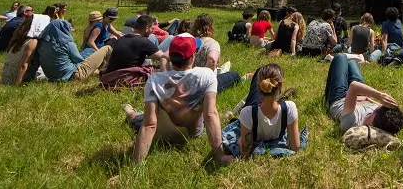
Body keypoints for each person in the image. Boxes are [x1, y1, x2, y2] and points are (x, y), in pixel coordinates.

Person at [122, 35, 230, 164]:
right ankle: (131, 112)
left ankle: (129, 111)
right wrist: (220, 155)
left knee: (137, 117)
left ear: (171, 57)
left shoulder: (154, 80)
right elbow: (210, 115)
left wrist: (136, 164)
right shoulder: (207, 75)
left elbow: (150, 124)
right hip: (191, 134)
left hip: (160, 134)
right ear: (193, 56)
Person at [323, 53, 403, 134]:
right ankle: (355, 59)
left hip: (340, 98)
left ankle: (355, 57)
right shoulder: (381, 120)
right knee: (352, 63)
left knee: (341, 57)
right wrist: (367, 99)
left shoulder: (351, 123)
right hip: (360, 96)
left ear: (376, 111)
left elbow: (354, 86)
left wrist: (379, 95)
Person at [236, 64, 302, 158]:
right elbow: (295, 147)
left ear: (258, 86)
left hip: (253, 112)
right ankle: (284, 96)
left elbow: (245, 153)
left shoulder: (247, 113)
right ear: (281, 86)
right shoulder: (289, 108)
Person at [37, 19, 112, 82]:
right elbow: (78, 59)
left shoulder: (42, 44)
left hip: (52, 78)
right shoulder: (67, 44)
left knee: (89, 52)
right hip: (73, 75)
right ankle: (110, 73)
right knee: (106, 48)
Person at [189, 14, 241, 92]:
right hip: (206, 84)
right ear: (210, 27)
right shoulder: (211, 43)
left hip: (188, 80)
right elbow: (212, 60)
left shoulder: (190, 41)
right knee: (235, 75)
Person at [0, 14, 51, 86]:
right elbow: (24, 65)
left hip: (6, 76)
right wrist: (18, 85)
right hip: (14, 78)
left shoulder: (19, 38)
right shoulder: (32, 41)